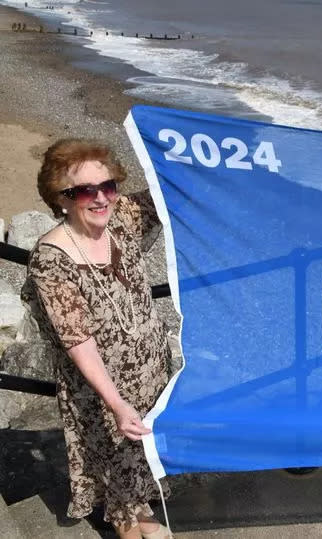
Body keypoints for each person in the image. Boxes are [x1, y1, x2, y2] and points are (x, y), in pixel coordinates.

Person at [21, 139, 172, 539]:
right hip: (101, 386)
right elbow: (77, 340)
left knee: (140, 450)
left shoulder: (121, 217)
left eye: (108, 185)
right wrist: (116, 402)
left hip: (150, 369)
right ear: (61, 198)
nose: (101, 197)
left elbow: (171, 190)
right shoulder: (52, 259)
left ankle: (138, 507)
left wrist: (185, 144)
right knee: (114, 449)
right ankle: (126, 521)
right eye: (85, 191)